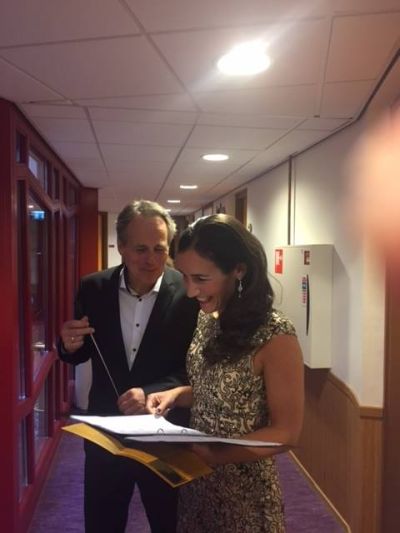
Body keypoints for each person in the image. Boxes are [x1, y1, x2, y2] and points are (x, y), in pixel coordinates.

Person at [147, 214, 304, 533]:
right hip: (198, 485)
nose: (190, 291)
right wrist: (177, 395)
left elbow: (286, 433)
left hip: (244, 495)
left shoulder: (275, 335)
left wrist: (217, 454)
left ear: (239, 270)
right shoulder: (209, 319)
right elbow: (219, 392)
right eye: (184, 277)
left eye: (201, 278)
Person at [58, 199, 199, 533]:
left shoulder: (190, 293)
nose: (151, 260)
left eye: (159, 249)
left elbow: (196, 368)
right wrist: (67, 344)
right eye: (140, 249)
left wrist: (150, 392)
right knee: (102, 523)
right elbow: (81, 352)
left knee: (169, 522)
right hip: (106, 432)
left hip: (166, 433)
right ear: (121, 246)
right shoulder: (93, 287)